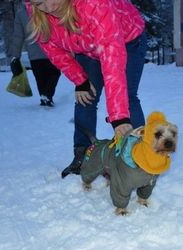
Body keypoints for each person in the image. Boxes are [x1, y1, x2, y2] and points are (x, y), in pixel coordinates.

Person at [26, 0, 147, 176]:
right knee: (85, 95)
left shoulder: (94, 3)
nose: (50, 7)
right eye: (41, 3)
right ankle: (83, 154)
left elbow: (111, 57)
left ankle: (139, 155)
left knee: (126, 97)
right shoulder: (37, 13)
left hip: (128, 38)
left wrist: (119, 117)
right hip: (87, 48)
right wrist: (80, 80)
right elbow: (54, 51)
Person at [8, 3, 61, 107]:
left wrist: (15, 56)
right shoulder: (46, 5)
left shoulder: (21, 13)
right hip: (51, 51)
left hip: (34, 55)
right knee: (54, 73)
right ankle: (47, 96)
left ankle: (44, 98)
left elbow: (18, 37)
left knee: (40, 78)